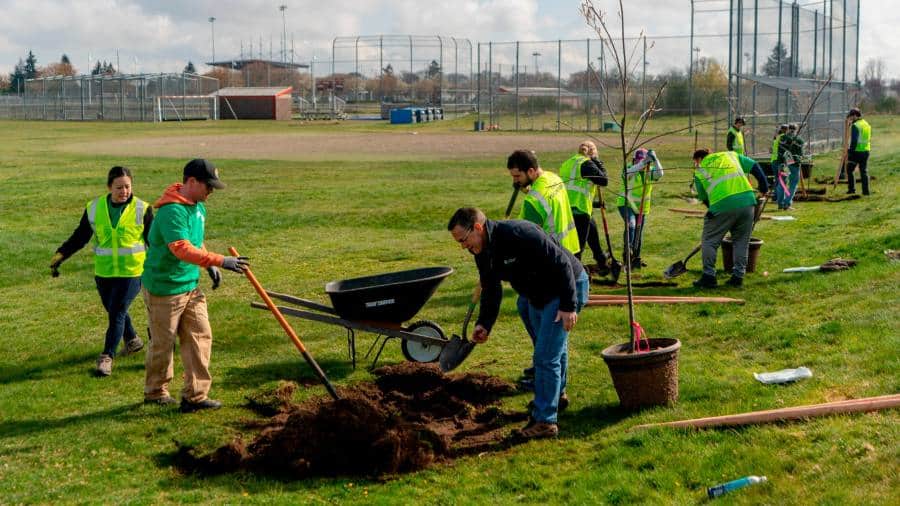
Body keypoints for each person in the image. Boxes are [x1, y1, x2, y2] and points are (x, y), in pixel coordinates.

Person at [448, 207, 589, 440]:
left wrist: (568, 306)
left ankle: (545, 421)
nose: (463, 247)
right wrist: (484, 323)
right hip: (536, 295)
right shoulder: (481, 250)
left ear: (478, 228)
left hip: (564, 287)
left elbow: (562, 263)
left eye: (463, 240)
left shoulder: (519, 233)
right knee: (548, 347)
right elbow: (491, 287)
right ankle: (557, 395)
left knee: (545, 356)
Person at [142, 159, 249, 412]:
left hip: (190, 286)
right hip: (164, 288)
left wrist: (207, 264)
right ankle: (155, 392)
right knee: (163, 344)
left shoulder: (198, 207)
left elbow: (195, 242)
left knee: (201, 336)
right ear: (192, 182)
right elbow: (180, 248)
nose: (211, 191)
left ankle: (195, 396)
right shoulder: (171, 211)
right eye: (208, 186)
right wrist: (220, 260)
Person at [50, 166, 153, 376]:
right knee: (115, 310)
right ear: (109, 187)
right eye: (119, 187)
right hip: (104, 273)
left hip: (132, 272)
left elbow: (155, 241)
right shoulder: (94, 208)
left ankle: (107, 357)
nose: (124, 191)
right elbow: (80, 237)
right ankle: (132, 340)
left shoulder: (143, 208)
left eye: (127, 186)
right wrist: (61, 255)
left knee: (116, 312)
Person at [691, 149, 768, 288]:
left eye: (696, 161)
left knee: (709, 241)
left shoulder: (699, 171)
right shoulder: (730, 155)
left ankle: (709, 276)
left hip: (722, 205)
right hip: (747, 201)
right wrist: (764, 186)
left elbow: (704, 198)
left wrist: (712, 210)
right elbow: (754, 166)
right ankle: (738, 277)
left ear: (700, 158)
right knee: (741, 242)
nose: (696, 164)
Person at [507, 150, 580, 255]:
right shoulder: (554, 178)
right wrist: (530, 192)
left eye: (517, 176)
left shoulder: (532, 202)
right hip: (570, 246)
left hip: (553, 254)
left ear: (531, 171)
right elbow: (548, 203)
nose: (514, 181)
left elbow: (528, 236)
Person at [559, 140, 610, 274]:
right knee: (577, 247)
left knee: (592, 232)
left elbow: (573, 189)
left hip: (567, 207)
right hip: (580, 211)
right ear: (591, 152)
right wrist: (596, 160)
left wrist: (595, 204)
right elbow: (604, 180)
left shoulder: (567, 163)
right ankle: (576, 277)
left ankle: (601, 261)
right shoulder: (586, 163)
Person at [615, 148, 663, 270]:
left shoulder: (649, 171)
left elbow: (660, 174)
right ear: (634, 159)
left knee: (638, 232)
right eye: (638, 160)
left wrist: (655, 159)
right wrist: (644, 162)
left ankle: (636, 258)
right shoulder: (629, 169)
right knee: (631, 224)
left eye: (643, 160)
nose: (640, 163)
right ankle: (627, 254)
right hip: (626, 203)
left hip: (641, 208)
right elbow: (627, 175)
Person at [775, 123, 805, 210]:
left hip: (782, 164)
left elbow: (779, 151)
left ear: (788, 129)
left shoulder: (782, 138)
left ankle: (780, 203)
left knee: (782, 183)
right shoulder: (799, 140)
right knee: (793, 184)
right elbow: (801, 154)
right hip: (794, 165)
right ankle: (787, 203)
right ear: (796, 130)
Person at [846, 108, 871, 195]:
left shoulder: (856, 126)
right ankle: (866, 191)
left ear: (855, 115)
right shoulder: (866, 124)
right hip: (866, 150)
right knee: (863, 171)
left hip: (856, 152)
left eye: (852, 117)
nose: (851, 119)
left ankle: (851, 189)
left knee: (849, 169)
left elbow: (854, 141)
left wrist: (850, 152)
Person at [769, 124, 788, 189]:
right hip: (780, 160)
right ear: (786, 130)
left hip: (773, 160)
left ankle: (776, 195)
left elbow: (771, 150)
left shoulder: (777, 137)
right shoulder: (783, 137)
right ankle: (781, 196)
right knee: (783, 178)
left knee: (777, 178)